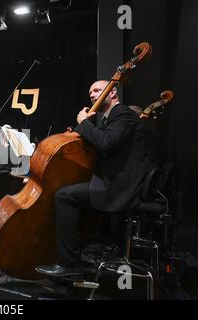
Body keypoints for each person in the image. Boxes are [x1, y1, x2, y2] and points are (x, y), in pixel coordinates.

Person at [35, 80, 151, 277]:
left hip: (119, 188)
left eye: (97, 90)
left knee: (64, 196)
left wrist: (83, 123)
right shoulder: (108, 118)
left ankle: (69, 265)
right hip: (111, 182)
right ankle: (79, 254)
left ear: (113, 93)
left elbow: (106, 143)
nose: (92, 94)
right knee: (69, 191)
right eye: (90, 92)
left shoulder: (123, 113)